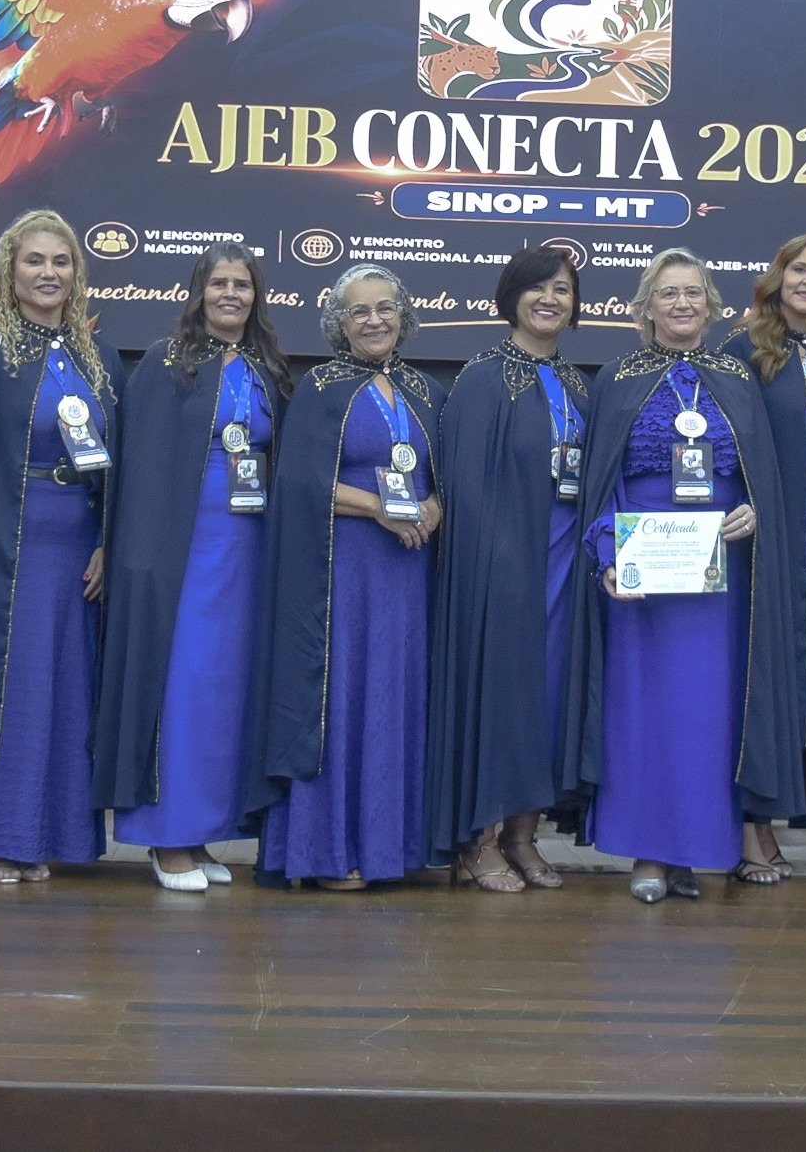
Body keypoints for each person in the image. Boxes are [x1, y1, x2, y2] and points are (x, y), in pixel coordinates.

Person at [561, 249, 806, 902]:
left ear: (711, 305)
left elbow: (760, 474)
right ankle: (649, 850)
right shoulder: (617, 378)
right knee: (645, 712)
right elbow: (601, 481)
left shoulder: (736, 377)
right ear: (645, 308)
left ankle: (694, 848)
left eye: (693, 292)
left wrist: (752, 508)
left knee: (707, 712)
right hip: (645, 573)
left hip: (718, 573)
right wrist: (609, 555)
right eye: (667, 293)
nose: (681, 303)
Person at [97, 242, 290, 893]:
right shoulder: (165, 361)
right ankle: (165, 835)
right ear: (198, 291)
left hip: (246, 549)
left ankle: (201, 829)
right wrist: (136, 558)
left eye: (242, 283)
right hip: (178, 553)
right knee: (180, 683)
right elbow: (139, 468)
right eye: (219, 282)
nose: (231, 293)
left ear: (256, 296)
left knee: (223, 692)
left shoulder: (267, 369)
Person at [0, 210, 116, 886]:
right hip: (9, 544)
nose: (48, 272)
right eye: (34, 260)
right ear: (9, 272)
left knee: (66, 691)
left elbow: (116, 462)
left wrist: (107, 540)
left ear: (76, 273)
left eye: (60, 261)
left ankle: (47, 836)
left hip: (78, 546)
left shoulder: (96, 358)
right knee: (10, 687)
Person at [251, 264, 441, 891]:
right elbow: (299, 482)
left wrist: (436, 505)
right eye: (359, 311)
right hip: (343, 573)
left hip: (408, 573)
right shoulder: (321, 386)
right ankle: (328, 851)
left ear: (403, 316)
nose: (375, 320)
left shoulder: (423, 389)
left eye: (385, 307)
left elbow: (444, 474)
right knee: (345, 698)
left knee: (394, 697)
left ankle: (390, 849)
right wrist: (378, 508)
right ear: (339, 322)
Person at [427, 247, 592, 893]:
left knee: (547, 700)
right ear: (511, 298)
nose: (550, 299)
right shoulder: (483, 377)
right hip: (501, 570)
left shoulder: (578, 383)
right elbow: (463, 489)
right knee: (498, 696)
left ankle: (524, 835)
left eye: (562, 289)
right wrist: (492, 565)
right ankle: (480, 840)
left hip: (566, 567)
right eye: (537, 288)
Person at [723, 235, 806, 880]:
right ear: (777, 276)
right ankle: (750, 828)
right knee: (761, 677)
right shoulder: (740, 351)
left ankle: (771, 817)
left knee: (799, 678)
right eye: (800, 268)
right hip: (764, 538)